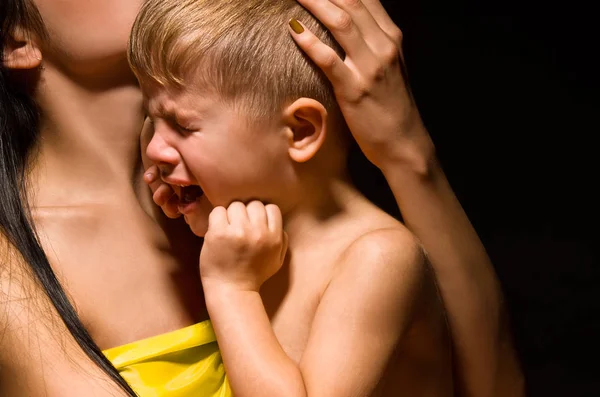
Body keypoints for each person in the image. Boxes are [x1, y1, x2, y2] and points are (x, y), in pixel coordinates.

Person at [0, 0, 524, 396]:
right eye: (163, 124)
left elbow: (490, 386)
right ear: (13, 37)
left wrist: (407, 152)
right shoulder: (15, 263)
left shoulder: (264, 181)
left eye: (181, 124)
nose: (162, 147)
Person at [132, 0, 453, 395]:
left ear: (300, 131)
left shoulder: (377, 258)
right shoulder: (243, 243)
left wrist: (232, 290)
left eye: (182, 124)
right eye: (150, 119)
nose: (155, 151)